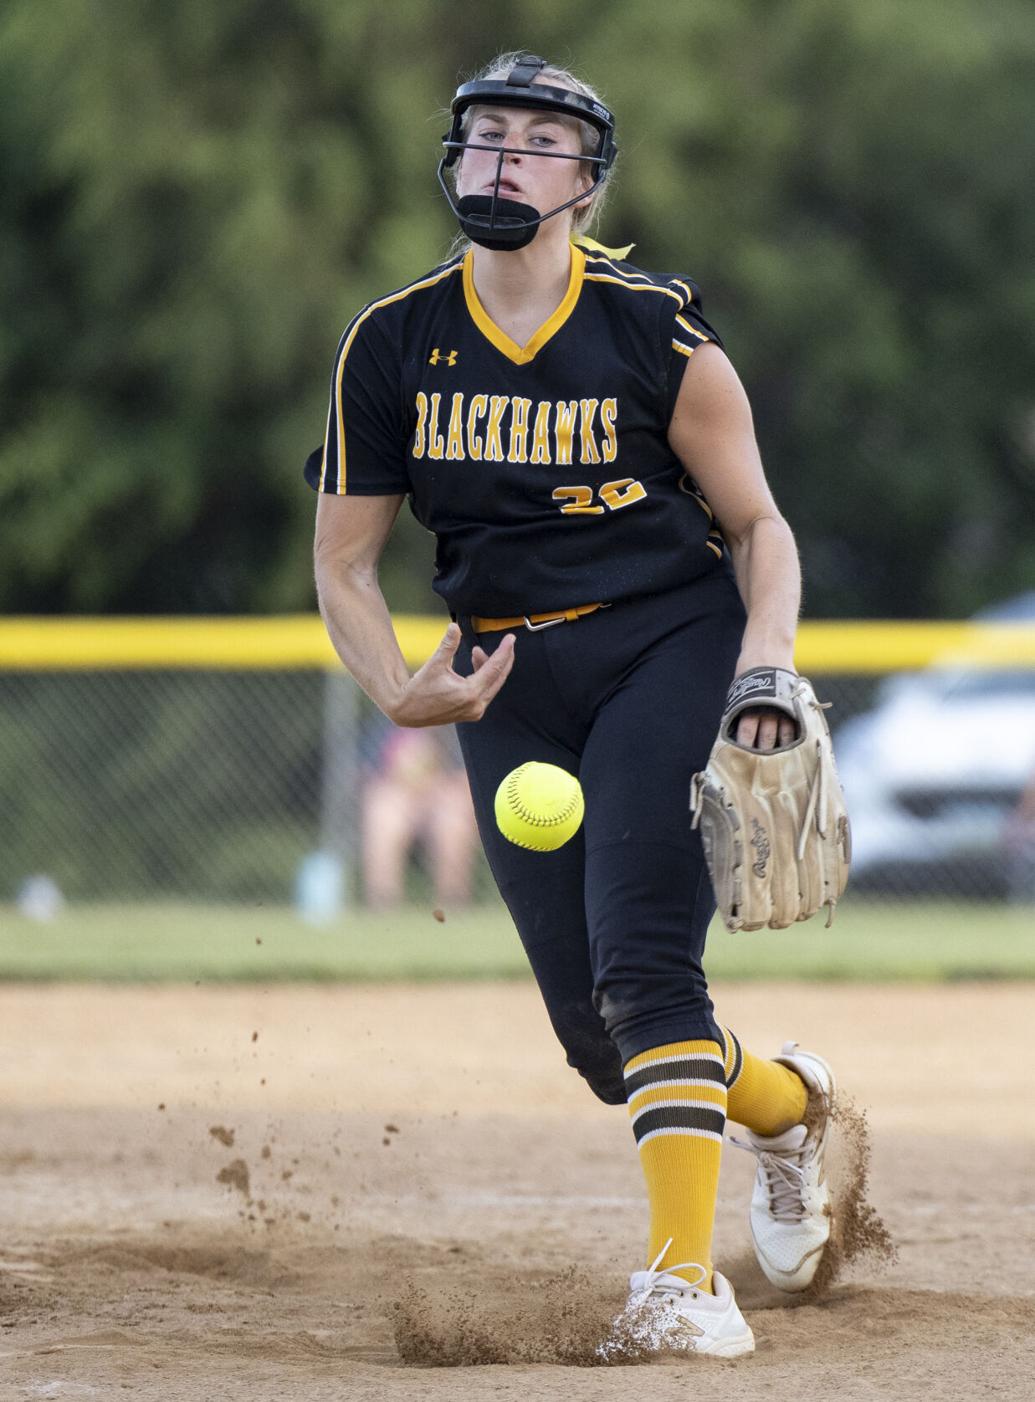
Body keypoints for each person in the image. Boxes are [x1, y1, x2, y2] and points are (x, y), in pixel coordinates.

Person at [307, 52, 835, 1359]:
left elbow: (759, 526)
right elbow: (343, 562)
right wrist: (396, 688)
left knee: (647, 965)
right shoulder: (392, 341)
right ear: (453, 159)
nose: (504, 155)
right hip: (505, 683)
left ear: (586, 184)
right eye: (486, 131)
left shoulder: (655, 333)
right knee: (603, 1040)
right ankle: (784, 1109)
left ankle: (679, 1284)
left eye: (538, 140)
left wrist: (763, 669)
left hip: (667, 643)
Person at [360, 721, 479, 908]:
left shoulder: (458, 727)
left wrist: (431, 784)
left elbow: (470, 780)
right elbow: (368, 776)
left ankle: (452, 904)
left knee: (454, 821)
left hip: (442, 798)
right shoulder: (390, 724)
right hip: (402, 798)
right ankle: (382, 904)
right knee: (384, 815)